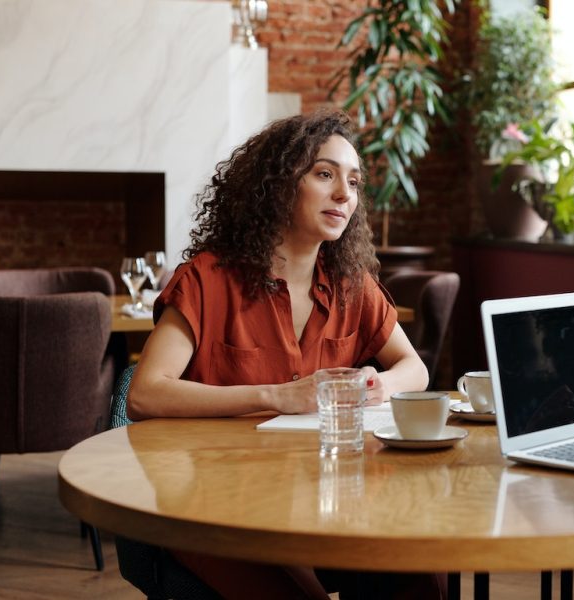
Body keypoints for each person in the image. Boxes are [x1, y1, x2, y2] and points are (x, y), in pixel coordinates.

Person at [128, 109, 442, 599]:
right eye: (324, 174)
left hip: (328, 496)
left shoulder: (351, 285)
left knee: (420, 576)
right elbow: (146, 395)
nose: (345, 195)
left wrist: (379, 384)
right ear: (277, 185)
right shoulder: (207, 279)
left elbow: (415, 369)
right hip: (215, 504)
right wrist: (279, 396)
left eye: (354, 182)